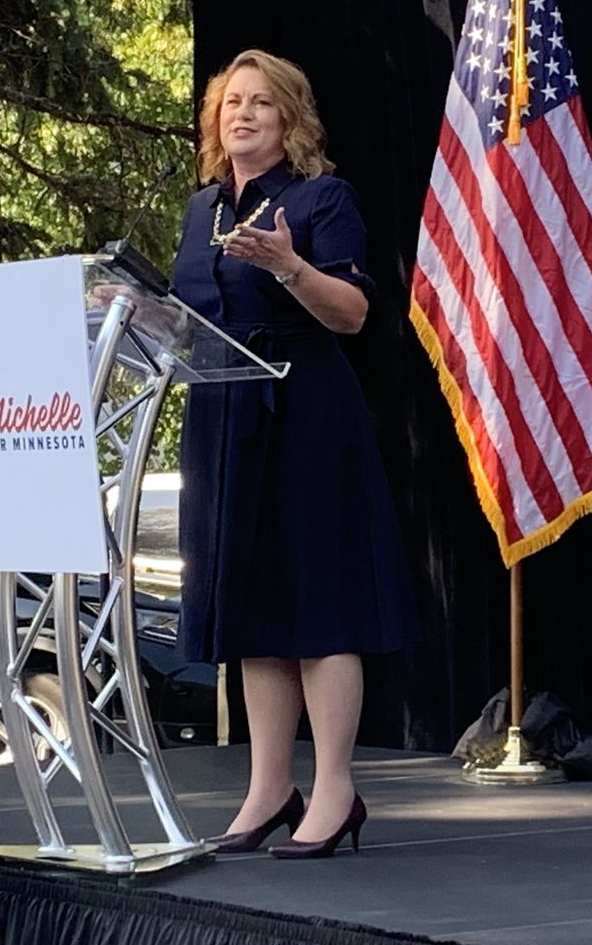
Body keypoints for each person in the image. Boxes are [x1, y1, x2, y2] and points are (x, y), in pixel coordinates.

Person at [171, 49, 417, 860]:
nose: (241, 114)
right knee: (253, 614)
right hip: (223, 414)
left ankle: (337, 788)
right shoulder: (201, 208)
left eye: (261, 104)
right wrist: (127, 307)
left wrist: (290, 267)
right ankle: (269, 787)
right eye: (230, 102)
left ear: (289, 120)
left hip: (304, 414)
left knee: (319, 607)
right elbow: (188, 317)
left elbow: (350, 314)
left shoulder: (322, 198)